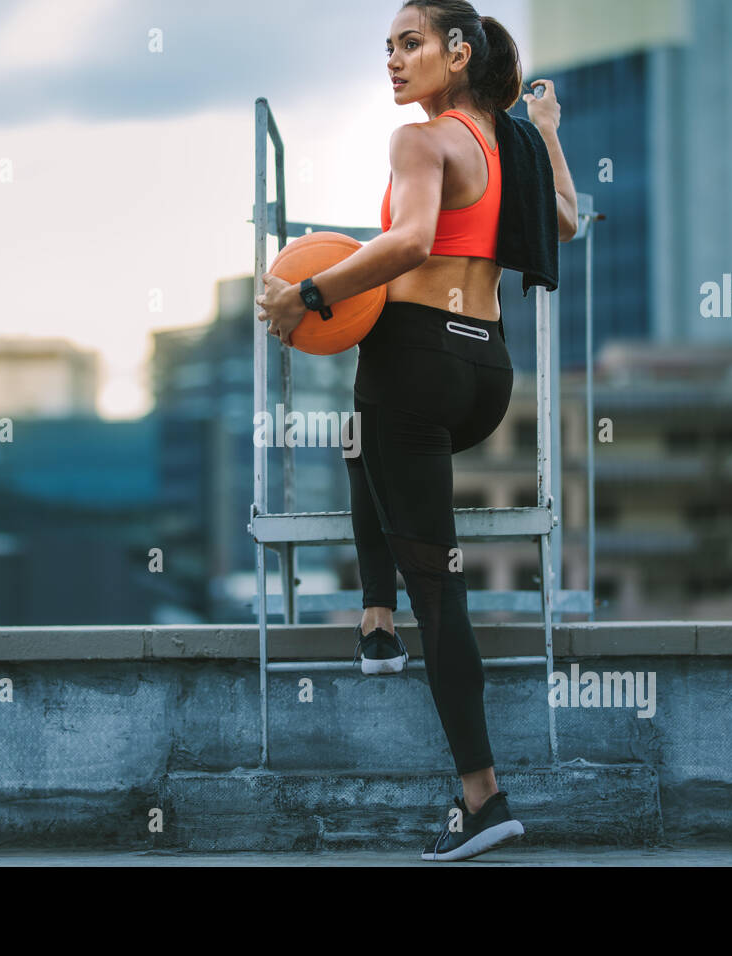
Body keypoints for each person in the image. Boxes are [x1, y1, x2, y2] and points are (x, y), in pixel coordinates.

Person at [256, 0, 578, 861]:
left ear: (458, 51)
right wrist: (544, 128)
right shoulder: (508, 142)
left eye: (411, 43)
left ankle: (483, 798)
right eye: (387, 47)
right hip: (486, 373)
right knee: (361, 439)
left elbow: (407, 242)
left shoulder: (420, 141)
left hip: (414, 361)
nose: (394, 60)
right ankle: (374, 623)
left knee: (439, 583)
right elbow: (567, 223)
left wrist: (308, 294)